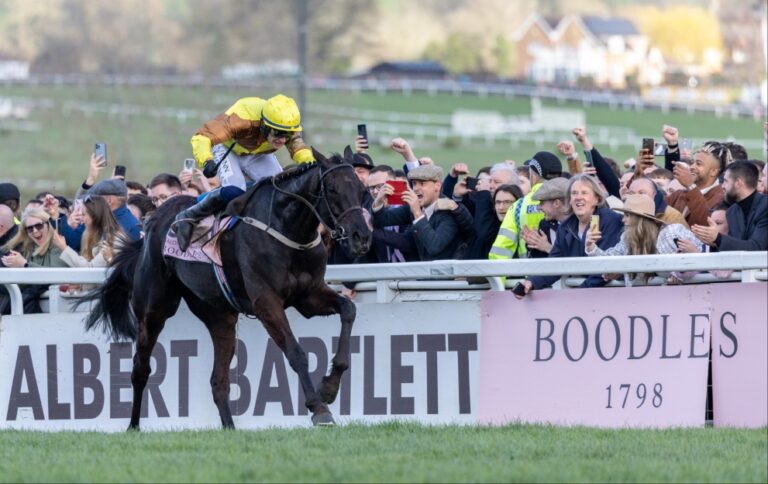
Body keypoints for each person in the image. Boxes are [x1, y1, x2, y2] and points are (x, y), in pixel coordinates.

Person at [174, 94, 314, 251]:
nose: (282, 140)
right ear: (264, 125)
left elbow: (300, 150)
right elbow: (202, 136)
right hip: (228, 149)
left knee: (281, 191)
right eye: (278, 133)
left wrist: (313, 164)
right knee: (235, 190)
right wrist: (206, 160)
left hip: (258, 154)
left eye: (287, 135)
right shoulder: (242, 116)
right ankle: (190, 215)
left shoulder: (287, 126)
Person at [515, 174, 623, 297]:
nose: (578, 197)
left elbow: (604, 270)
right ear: (569, 200)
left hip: (612, 296)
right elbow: (555, 265)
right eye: (574, 193)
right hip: (584, 296)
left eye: (584, 193)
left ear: (597, 199)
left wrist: (577, 294)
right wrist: (530, 282)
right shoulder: (565, 227)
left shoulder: (610, 220)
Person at [585, 194, 703, 284]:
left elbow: (702, 259)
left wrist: (680, 273)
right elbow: (609, 260)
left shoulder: (671, 234)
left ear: (639, 219)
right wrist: (591, 247)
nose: (623, 220)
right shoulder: (627, 239)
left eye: (627, 215)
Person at [372, 164, 473, 261]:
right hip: (425, 275)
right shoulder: (414, 207)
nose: (416, 188)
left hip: (449, 276)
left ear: (437, 186)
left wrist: (417, 213)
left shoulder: (449, 212)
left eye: (422, 184)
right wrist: (378, 201)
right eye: (414, 183)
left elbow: (434, 246)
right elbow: (382, 220)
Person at [489, 151, 562, 260]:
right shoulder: (571, 199)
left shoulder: (518, 205)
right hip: (573, 273)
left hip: (531, 273)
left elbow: (500, 252)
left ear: (533, 174)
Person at [1, 207, 69, 314]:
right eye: (30, 228)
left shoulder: (57, 244)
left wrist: (25, 265)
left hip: (59, 308)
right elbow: (25, 284)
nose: (35, 231)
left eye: (39, 225)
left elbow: (57, 276)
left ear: (48, 225)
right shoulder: (29, 247)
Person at [692, 161, 767, 251]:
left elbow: (757, 248)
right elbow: (736, 247)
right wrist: (713, 242)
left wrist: (718, 238)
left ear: (738, 183)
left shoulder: (765, 207)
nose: (722, 186)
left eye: (726, 181)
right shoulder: (732, 212)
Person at [51, 196, 125, 268]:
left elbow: (91, 269)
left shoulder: (113, 239)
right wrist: (55, 216)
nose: (81, 218)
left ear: (95, 216)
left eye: (83, 214)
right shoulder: (89, 232)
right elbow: (71, 240)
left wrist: (64, 248)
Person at [665, 142, 724, 227]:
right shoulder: (679, 194)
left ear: (713, 171)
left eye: (698, 164)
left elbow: (706, 224)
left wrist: (690, 186)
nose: (692, 167)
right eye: (693, 162)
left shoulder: (721, 198)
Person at [522, 177, 570, 258]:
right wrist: (533, 244)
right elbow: (539, 263)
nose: (539, 207)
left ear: (556, 203)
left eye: (542, 203)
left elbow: (576, 260)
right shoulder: (545, 224)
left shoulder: (579, 224)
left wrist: (548, 248)